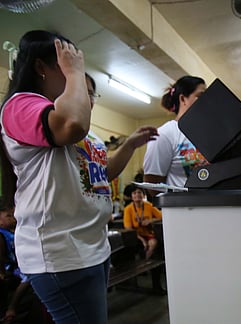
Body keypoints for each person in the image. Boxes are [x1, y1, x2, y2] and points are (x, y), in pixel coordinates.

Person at [0, 30, 158, 323]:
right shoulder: (21, 105)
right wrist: (76, 72)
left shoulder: (80, 128)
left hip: (91, 247)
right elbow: (72, 124)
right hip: (61, 252)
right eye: (66, 66)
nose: (80, 85)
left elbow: (101, 175)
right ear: (41, 68)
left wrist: (130, 146)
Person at [143, 76, 209, 189]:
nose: (207, 101)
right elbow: (153, 184)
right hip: (182, 206)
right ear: (183, 99)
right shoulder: (165, 134)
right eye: (200, 96)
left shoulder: (209, 132)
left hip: (211, 204)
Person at [123, 185, 162, 259]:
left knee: (153, 243)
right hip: (136, 236)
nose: (137, 195)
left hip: (148, 233)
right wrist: (142, 239)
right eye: (134, 193)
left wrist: (150, 220)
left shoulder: (149, 205)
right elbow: (128, 228)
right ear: (131, 196)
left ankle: (146, 261)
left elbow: (161, 216)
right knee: (140, 245)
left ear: (143, 195)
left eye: (139, 192)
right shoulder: (128, 209)